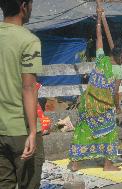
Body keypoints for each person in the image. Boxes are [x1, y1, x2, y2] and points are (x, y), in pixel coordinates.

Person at [69, 8, 122, 172]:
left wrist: (98, 21)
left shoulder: (100, 59)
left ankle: (75, 163)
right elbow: (115, 92)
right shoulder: (117, 70)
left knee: (83, 130)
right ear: (120, 57)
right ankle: (108, 165)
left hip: (88, 104)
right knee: (109, 133)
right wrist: (117, 107)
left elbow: (99, 39)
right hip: (104, 107)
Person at [0, 0, 45, 188]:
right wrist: (33, 132)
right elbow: (28, 87)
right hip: (21, 130)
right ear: (23, 6)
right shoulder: (29, 40)